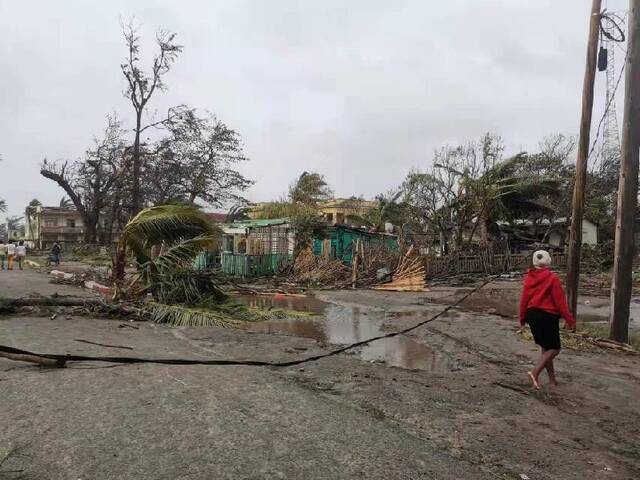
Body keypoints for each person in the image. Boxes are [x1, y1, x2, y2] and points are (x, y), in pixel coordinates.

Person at [520, 250, 576, 390]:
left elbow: (523, 300)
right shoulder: (552, 278)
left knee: (546, 349)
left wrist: (522, 319)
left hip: (531, 314)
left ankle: (552, 381)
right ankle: (534, 372)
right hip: (547, 316)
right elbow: (560, 303)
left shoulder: (528, 278)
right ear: (549, 261)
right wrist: (570, 321)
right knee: (555, 349)